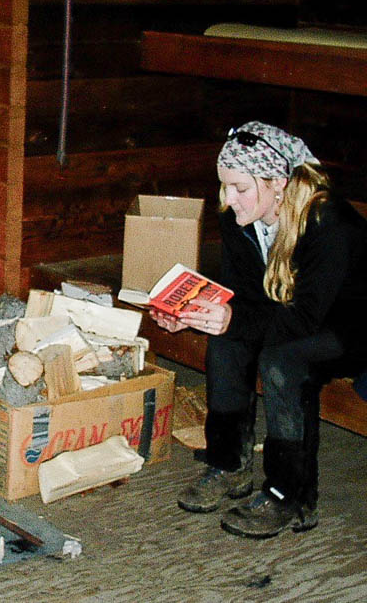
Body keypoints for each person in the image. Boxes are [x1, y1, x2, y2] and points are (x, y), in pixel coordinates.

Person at [150, 121, 367, 538]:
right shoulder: (238, 219)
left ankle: (292, 495)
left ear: (278, 183)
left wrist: (235, 319)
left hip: (351, 326)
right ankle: (229, 465)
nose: (229, 201)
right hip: (296, 315)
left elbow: (306, 320)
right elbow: (242, 297)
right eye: (225, 187)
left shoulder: (328, 223)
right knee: (226, 342)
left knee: (281, 361)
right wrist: (189, 313)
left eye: (240, 188)